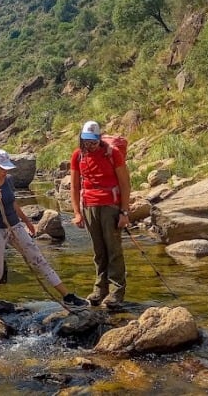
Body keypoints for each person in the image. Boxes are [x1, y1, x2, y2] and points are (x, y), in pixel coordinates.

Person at [0, 149, 88, 315]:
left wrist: (27, 222)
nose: (6, 171)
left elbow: (13, 203)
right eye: (2, 168)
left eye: (7, 168)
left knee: (39, 260)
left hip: (15, 227)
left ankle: (67, 296)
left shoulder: (8, 180)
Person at [70, 120, 131, 308]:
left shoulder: (113, 154)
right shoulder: (77, 155)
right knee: (98, 251)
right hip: (89, 206)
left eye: (93, 142)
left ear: (99, 139)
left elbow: (125, 184)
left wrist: (124, 212)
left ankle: (116, 292)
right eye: (86, 141)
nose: (89, 145)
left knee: (113, 250)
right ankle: (100, 289)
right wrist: (77, 213)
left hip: (110, 206)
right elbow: (75, 185)